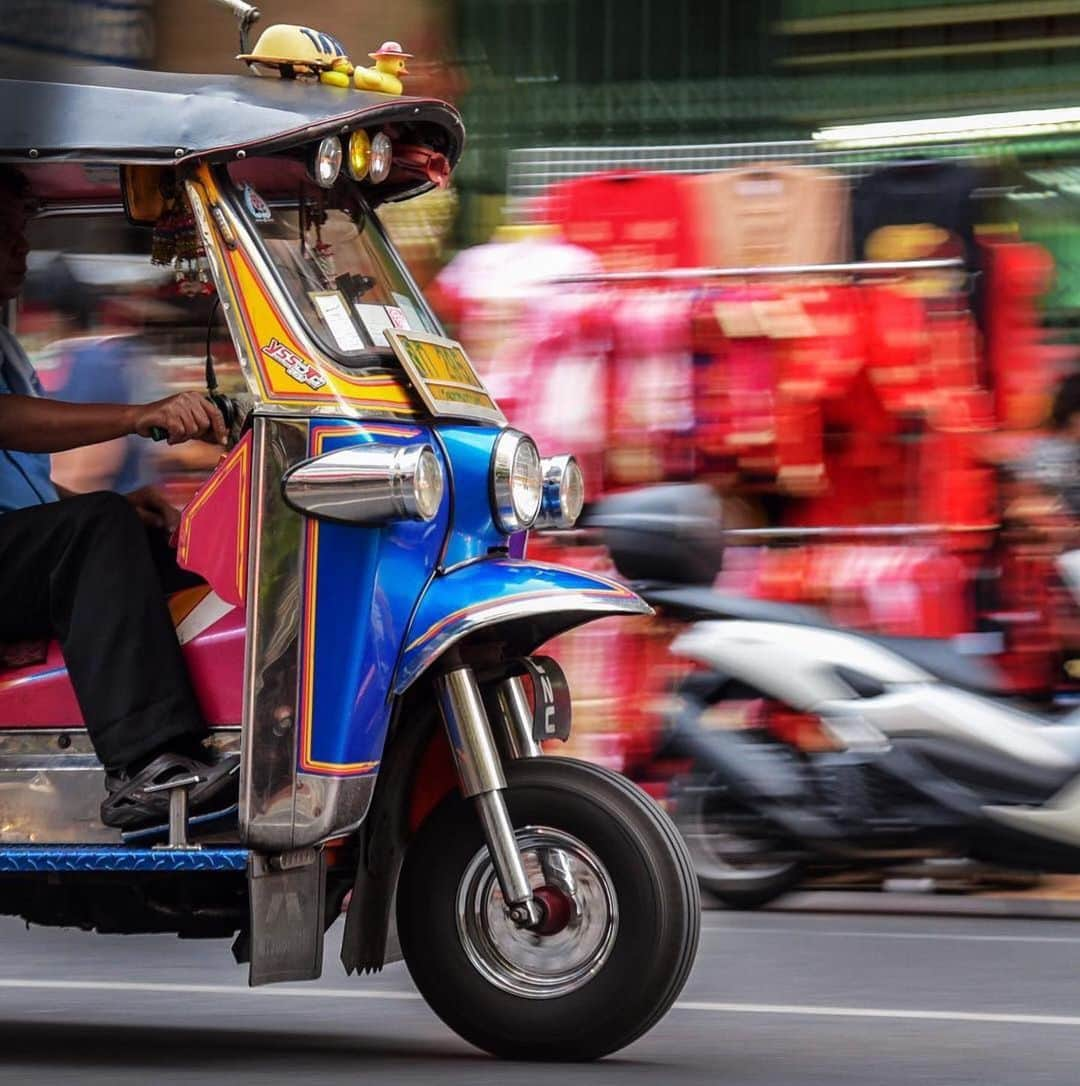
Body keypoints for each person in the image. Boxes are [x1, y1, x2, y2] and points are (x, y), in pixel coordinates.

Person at [0, 164, 239, 831]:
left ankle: (238, 733)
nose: (20, 248)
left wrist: (124, 507)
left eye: (22, 231)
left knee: (146, 537)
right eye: (3, 233)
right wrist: (138, 416)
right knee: (96, 524)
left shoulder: (6, 341)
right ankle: (149, 765)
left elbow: (18, 474)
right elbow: (9, 422)